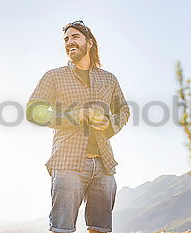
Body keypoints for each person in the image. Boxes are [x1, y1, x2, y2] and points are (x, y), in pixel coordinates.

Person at [26, 20, 130, 233]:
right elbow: (33, 111)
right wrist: (75, 116)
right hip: (67, 162)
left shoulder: (109, 79)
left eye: (75, 37)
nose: (69, 42)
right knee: (62, 229)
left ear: (89, 43)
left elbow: (124, 111)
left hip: (104, 164)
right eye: (66, 39)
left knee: (100, 229)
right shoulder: (54, 76)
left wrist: (109, 125)